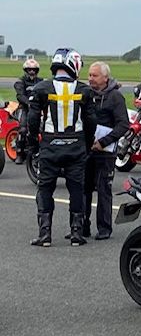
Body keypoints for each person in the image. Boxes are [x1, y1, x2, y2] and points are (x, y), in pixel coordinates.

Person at [27, 48, 96, 247]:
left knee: (45, 189)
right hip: (76, 145)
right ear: (74, 64)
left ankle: (45, 234)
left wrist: (34, 142)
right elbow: (91, 121)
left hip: (50, 145)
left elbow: (32, 120)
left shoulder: (41, 88)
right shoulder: (84, 90)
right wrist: (87, 143)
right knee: (77, 189)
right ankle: (76, 233)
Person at [82, 62, 129, 240]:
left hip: (106, 151)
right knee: (83, 188)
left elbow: (123, 124)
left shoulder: (115, 97)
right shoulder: (85, 94)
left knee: (103, 190)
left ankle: (104, 228)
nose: (90, 79)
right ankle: (81, 226)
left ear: (105, 78)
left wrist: (103, 142)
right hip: (87, 150)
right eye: (89, 75)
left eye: (94, 76)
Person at [13, 58, 43, 164]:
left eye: (34, 70)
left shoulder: (41, 82)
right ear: (25, 70)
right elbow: (20, 95)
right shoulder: (20, 82)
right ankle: (19, 153)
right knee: (23, 130)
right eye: (29, 69)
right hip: (24, 108)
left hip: (38, 109)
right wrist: (29, 103)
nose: (32, 72)